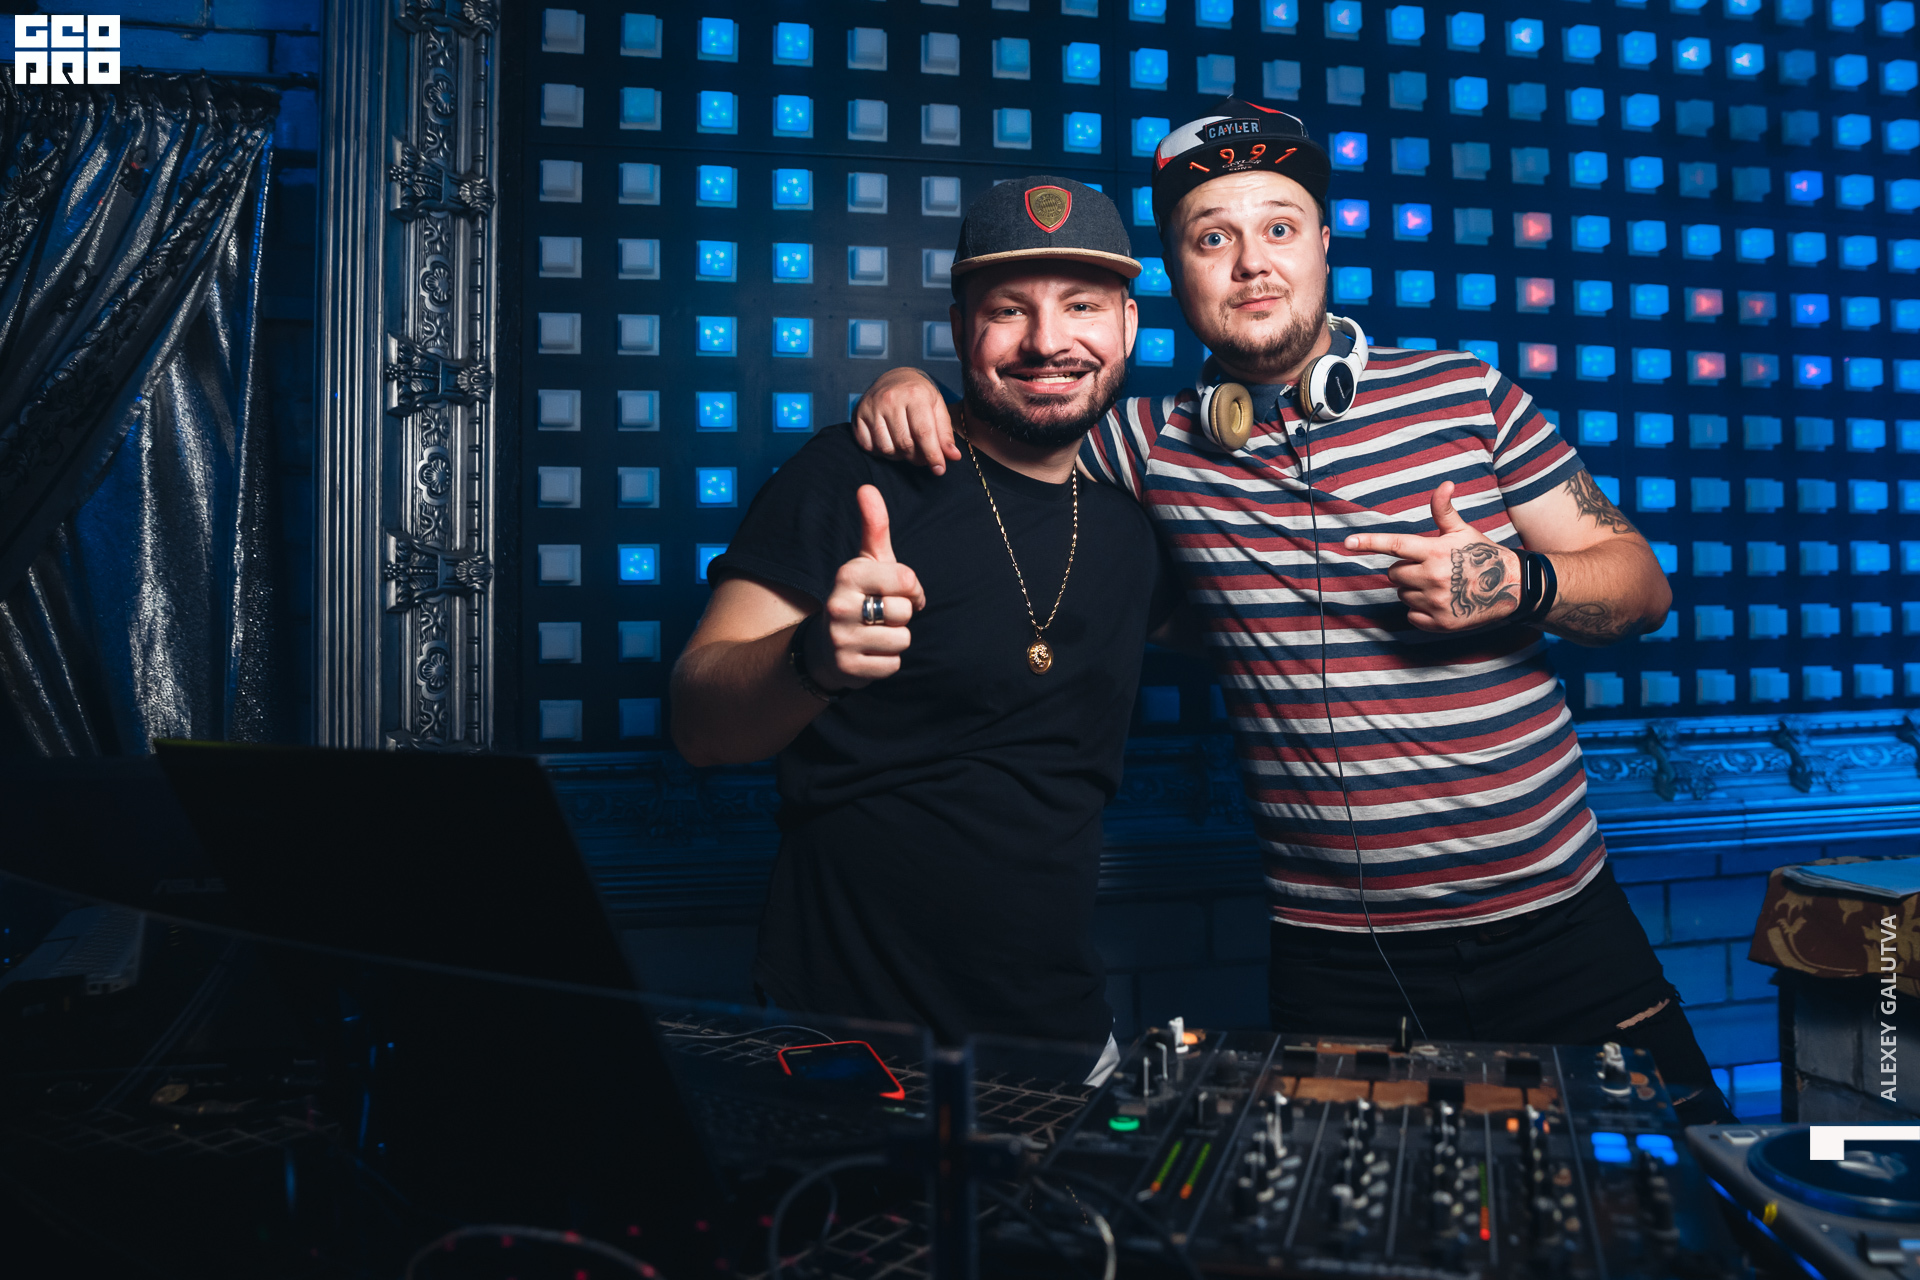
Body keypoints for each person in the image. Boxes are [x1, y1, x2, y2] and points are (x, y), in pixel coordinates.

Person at [850, 102, 1735, 1123]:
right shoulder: (1145, 443)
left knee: (1697, 1181)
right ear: (1172, 278)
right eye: (1211, 238)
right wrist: (906, 382)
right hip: (1336, 959)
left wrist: (1514, 583)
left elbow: (1641, 586)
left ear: (1323, 245)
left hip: (1561, 922)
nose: (1252, 264)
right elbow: (1011, 433)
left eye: (1279, 227)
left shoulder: (1466, 394)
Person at [671, 177, 1174, 1081]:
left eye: (1083, 306)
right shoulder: (850, 474)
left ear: (1128, 327)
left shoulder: (1131, 532)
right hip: (847, 1046)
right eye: (1008, 310)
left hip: (1067, 1044)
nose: (1048, 341)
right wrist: (813, 660)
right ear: (958, 328)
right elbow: (698, 726)